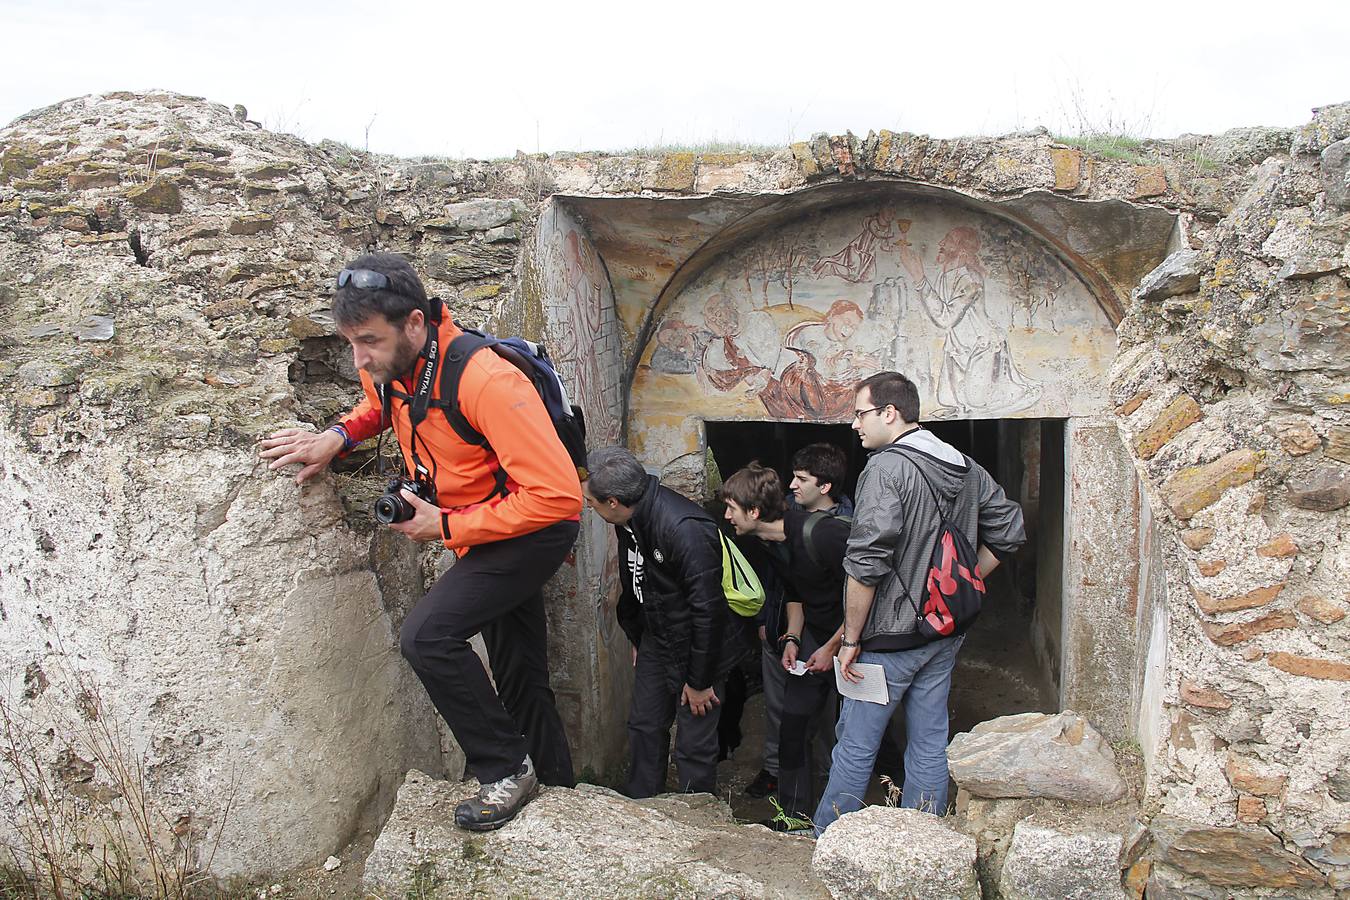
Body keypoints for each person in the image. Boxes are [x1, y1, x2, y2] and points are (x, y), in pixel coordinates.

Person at [259, 253, 582, 831]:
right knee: (518, 670)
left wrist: (447, 527)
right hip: (476, 523)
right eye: (349, 343)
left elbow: (558, 497)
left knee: (428, 635)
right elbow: (381, 405)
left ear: (415, 322)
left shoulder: (486, 379)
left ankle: (506, 769)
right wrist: (337, 437)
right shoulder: (390, 364)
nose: (359, 357)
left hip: (529, 526)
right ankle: (559, 790)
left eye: (368, 341)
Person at [814, 371, 1026, 833]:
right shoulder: (965, 466)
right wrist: (964, 582)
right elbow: (1009, 529)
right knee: (929, 741)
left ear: (890, 413)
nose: (855, 425)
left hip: (888, 641)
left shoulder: (886, 469)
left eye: (860, 414)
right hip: (945, 631)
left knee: (855, 745)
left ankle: (827, 840)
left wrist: (849, 640)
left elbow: (866, 561)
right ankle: (926, 841)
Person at [580, 446, 746, 798]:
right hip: (658, 637)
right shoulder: (629, 520)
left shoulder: (684, 528)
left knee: (693, 741)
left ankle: (694, 814)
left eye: (591, 502)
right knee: (644, 725)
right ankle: (643, 804)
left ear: (613, 501)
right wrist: (640, 638)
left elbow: (708, 609)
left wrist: (699, 681)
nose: (588, 508)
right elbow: (643, 586)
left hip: (700, 648)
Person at [722, 464, 850, 828]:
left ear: (755, 512)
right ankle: (795, 816)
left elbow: (870, 591)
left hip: (856, 640)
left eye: (732, 507)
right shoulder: (767, 542)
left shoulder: (823, 535)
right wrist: (793, 636)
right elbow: (795, 591)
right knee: (792, 727)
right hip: (816, 637)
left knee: (865, 732)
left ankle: (890, 814)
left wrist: (835, 646)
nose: (727, 516)